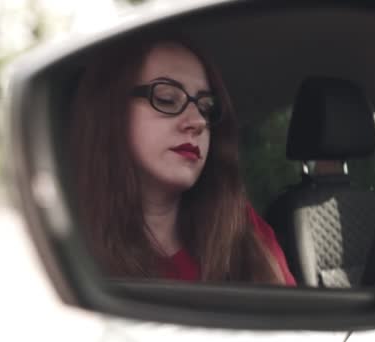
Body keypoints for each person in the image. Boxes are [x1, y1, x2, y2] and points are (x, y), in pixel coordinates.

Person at [69, 35, 295, 286]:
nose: (198, 121)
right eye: (166, 99)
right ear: (109, 113)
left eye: (206, 108)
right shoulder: (68, 242)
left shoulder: (242, 230)